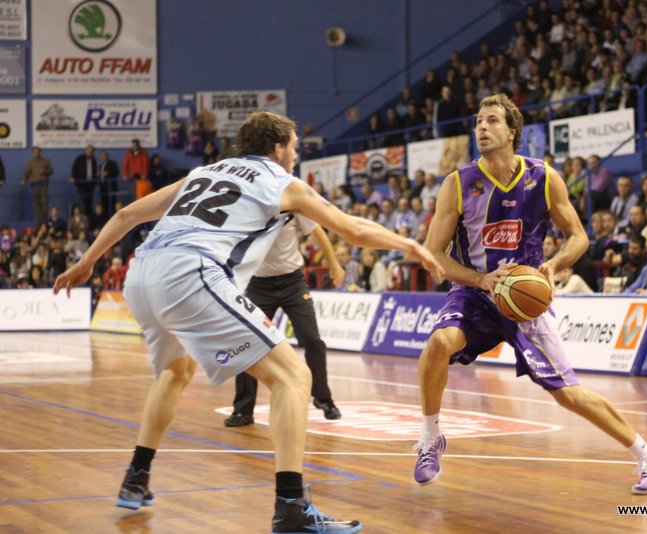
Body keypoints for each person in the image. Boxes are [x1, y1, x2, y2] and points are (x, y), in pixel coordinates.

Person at [54, 111, 444, 533]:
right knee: (294, 377)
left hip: (143, 273)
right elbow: (353, 229)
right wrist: (409, 243)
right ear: (277, 148)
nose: (295, 156)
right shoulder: (280, 181)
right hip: (192, 272)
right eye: (293, 147)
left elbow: (128, 214)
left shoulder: (204, 173)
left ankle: (136, 478)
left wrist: (87, 262)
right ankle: (291, 508)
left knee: (176, 370)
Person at [412, 93, 647, 496]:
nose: (481, 127)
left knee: (568, 394)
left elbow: (579, 236)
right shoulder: (459, 184)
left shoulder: (545, 177)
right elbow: (433, 253)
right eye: (479, 121)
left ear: (512, 131)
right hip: (476, 293)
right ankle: (430, 437)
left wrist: (553, 266)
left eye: (492, 121)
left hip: (524, 298)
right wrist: (481, 281)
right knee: (437, 345)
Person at [225, 216, 346, 427]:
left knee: (312, 340)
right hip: (258, 285)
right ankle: (243, 410)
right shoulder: (250, 208)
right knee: (248, 343)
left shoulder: (292, 204)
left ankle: (322, 398)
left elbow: (317, 232)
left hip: (293, 283)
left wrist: (334, 264)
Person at [21, 146, 54, 226]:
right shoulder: (31, 162)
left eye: (37, 152)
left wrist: (45, 172)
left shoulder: (46, 161)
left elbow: (51, 171)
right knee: (36, 205)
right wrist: (24, 180)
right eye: (34, 152)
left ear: (40, 152)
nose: (36, 153)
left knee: (44, 204)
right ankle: (40, 223)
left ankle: (45, 223)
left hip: (44, 185)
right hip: (34, 185)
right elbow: (27, 172)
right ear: (32, 153)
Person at [70, 145, 98, 213]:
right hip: (81, 183)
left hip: (91, 184)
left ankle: (88, 214)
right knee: (84, 200)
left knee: (90, 200)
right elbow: (74, 167)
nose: (90, 152)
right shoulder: (79, 159)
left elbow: (94, 170)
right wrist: (73, 176)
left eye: (91, 151)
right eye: (88, 151)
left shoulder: (94, 160)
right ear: (86, 151)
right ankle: (86, 214)